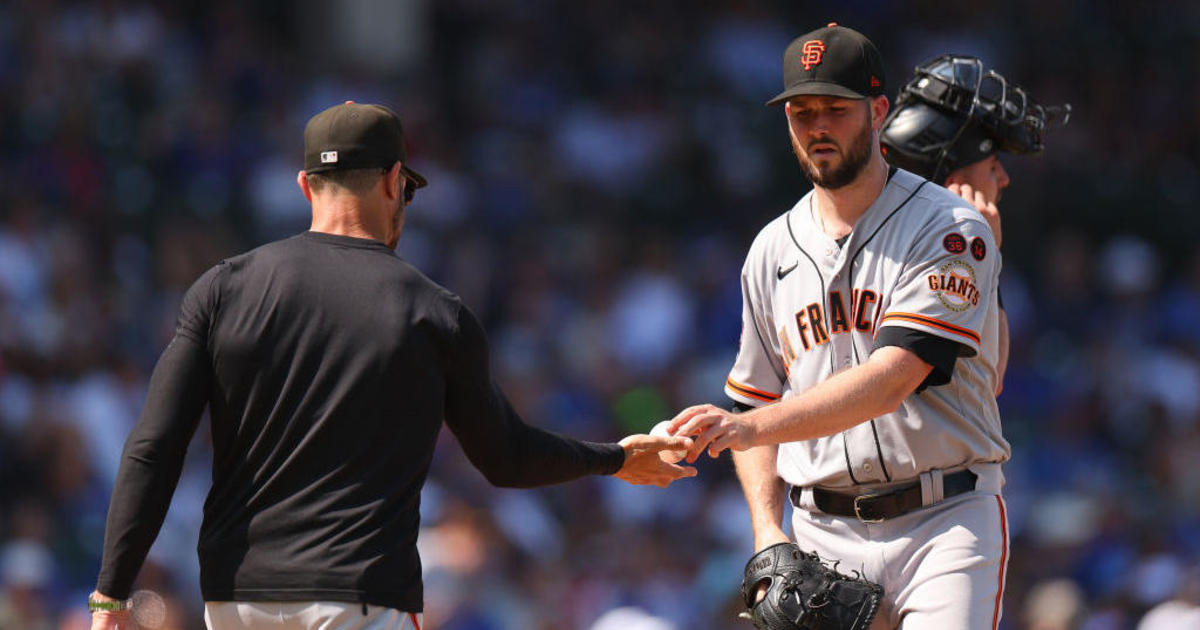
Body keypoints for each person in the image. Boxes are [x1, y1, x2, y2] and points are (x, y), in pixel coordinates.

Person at [87, 101, 696, 630]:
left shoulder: (223, 289)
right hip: (359, 597)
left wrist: (111, 590)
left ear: (305, 186)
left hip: (237, 597)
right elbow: (506, 458)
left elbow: (154, 447)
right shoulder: (431, 311)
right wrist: (617, 458)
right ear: (394, 180)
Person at [668, 24, 1024, 628]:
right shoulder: (770, 249)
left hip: (943, 519)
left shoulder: (949, 228)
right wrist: (765, 533)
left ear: (878, 111)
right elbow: (757, 395)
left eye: (836, 108)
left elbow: (891, 379)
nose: (818, 126)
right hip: (820, 531)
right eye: (801, 112)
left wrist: (747, 427)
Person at [879, 54, 1071, 395]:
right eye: (993, 163)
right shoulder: (943, 251)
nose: (1004, 178)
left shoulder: (875, 229)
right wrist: (983, 251)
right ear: (954, 180)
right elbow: (990, 379)